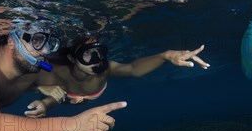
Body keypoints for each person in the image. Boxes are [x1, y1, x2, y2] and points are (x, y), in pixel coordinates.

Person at [21, 34, 209, 118]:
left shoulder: (105, 69)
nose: (97, 60)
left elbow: (133, 69)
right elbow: (37, 73)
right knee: (48, 84)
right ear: (72, 57)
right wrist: (44, 102)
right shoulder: (53, 68)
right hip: (59, 93)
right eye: (88, 54)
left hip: (77, 95)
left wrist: (165, 55)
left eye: (100, 52)